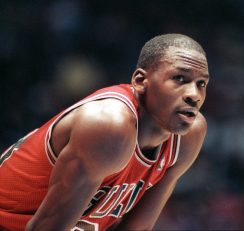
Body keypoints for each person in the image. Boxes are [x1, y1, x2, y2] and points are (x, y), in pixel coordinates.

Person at [0, 33, 210, 230]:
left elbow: (138, 227)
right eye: (179, 79)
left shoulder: (188, 136)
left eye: (201, 84)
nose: (194, 95)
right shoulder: (109, 125)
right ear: (139, 81)